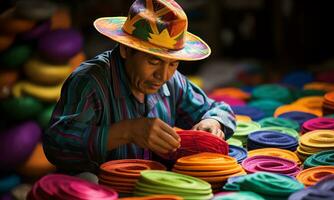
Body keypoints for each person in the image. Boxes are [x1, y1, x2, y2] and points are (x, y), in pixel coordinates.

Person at [43, 0, 236, 173]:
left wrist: (213, 122)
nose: (163, 75)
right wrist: (126, 132)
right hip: (101, 191)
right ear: (126, 49)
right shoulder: (90, 81)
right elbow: (57, 144)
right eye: (153, 61)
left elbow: (219, 110)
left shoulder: (173, 80)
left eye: (173, 63)